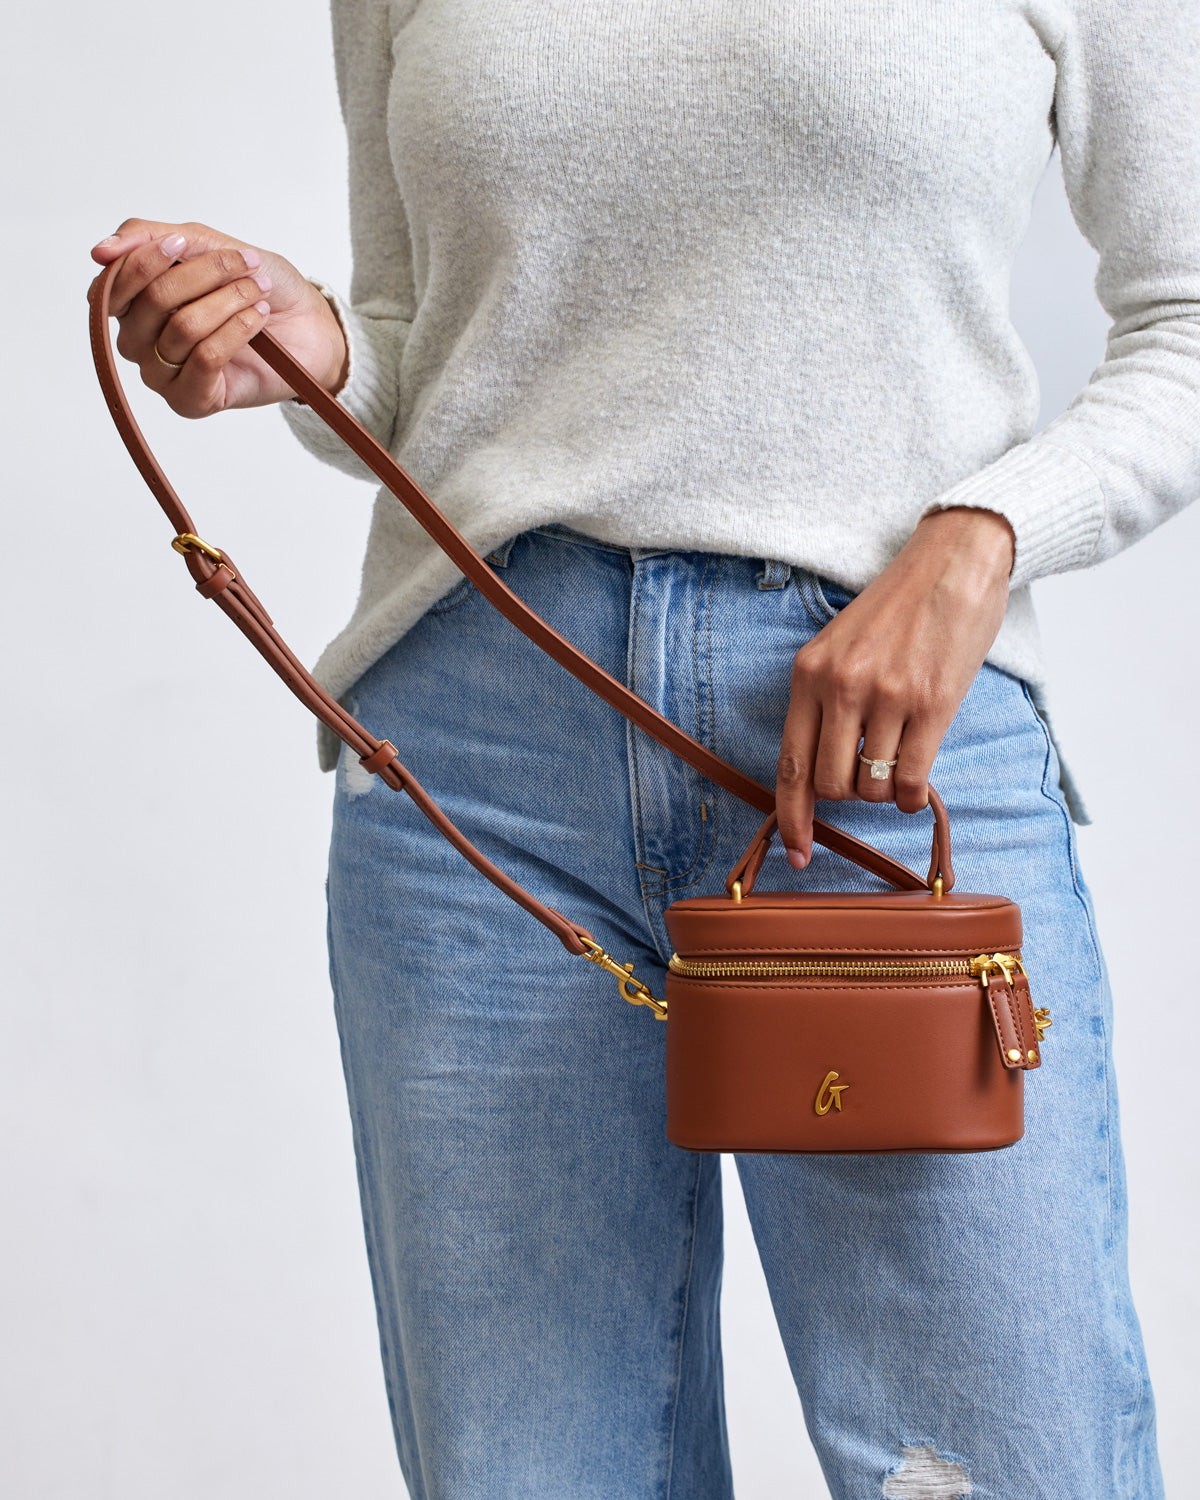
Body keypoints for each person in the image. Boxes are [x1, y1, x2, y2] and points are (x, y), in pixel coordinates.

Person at [91, 1, 1198, 1493]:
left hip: (875, 766)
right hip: (477, 772)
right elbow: (431, 352)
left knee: (1007, 1468)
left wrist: (988, 533)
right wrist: (317, 348)